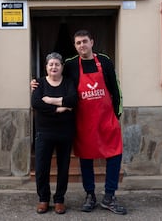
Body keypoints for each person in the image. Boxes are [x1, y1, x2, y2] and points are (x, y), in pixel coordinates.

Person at [31, 30, 126, 215]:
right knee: (86, 158)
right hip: (85, 121)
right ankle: (90, 194)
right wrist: (35, 83)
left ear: (92, 42)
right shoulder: (72, 64)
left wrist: (116, 115)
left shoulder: (105, 61)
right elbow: (55, 77)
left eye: (84, 41)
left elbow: (115, 88)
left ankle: (109, 196)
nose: (82, 45)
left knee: (115, 155)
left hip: (107, 119)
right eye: (78, 43)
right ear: (75, 46)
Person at [31, 52, 77, 215]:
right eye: (51, 64)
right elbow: (36, 103)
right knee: (42, 167)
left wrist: (50, 100)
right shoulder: (39, 83)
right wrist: (60, 108)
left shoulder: (69, 82)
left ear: (62, 67)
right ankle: (43, 199)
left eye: (57, 64)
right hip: (44, 132)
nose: (54, 67)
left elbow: (73, 100)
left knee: (63, 167)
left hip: (65, 132)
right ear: (46, 67)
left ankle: (59, 200)